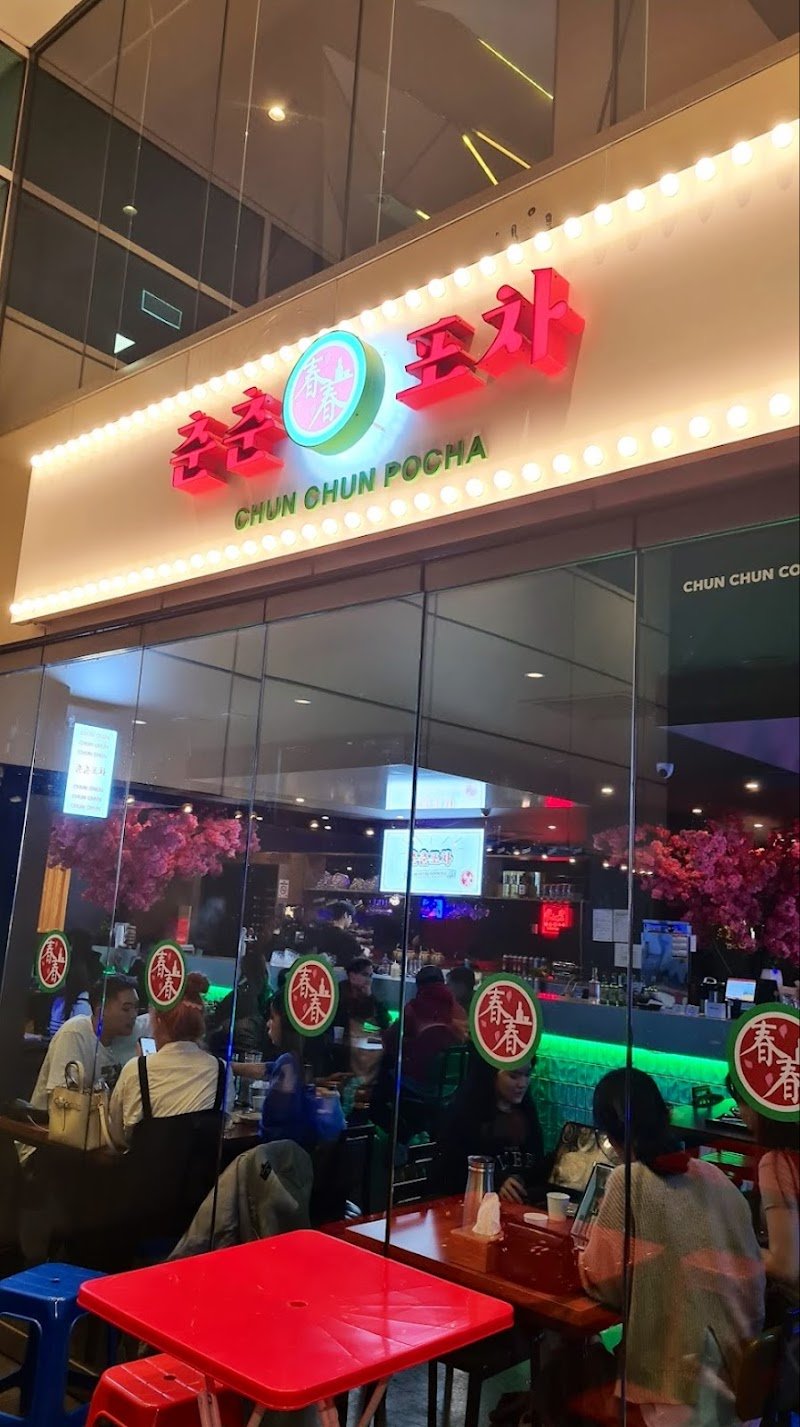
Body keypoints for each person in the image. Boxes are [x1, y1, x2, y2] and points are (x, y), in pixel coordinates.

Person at [548, 1068, 765, 1427]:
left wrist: (581, 1257)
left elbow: (603, 1281)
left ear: (610, 1137)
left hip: (678, 1397)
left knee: (562, 1371)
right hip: (742, 1389)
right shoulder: (715, 1178)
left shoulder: (628, 1181)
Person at [109, 972, 232, 1146]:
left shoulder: (136, 1070)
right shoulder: (223, 1070)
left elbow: (117, 1135)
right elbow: (223, 1127)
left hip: (146, 1163)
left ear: (158, 1020)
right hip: (202, 1164)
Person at [432, 1051, 547, 1202]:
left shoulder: (526, 1112)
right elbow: (450, 1171)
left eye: (527, 1075)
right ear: (491, 1074)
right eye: (513, 1076)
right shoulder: (465, 1113)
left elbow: (536, 1166)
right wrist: (496, 1181)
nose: (523, 1084)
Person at [730, 1079, 799, 1306]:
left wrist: (730, 1246)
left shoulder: (777, 1163)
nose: (739, 1112)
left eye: (739, 1102)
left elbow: (785, 1265)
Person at [31, 974, 139, 1109]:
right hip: (53, 1119)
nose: (133, 1015)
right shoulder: (74, 1034)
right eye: (126, 1009)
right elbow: (63, 1100)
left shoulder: (127, 1037)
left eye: (136, 1008)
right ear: (101, 1011)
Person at [335, 957, 389, 1035]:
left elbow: (384, 1023)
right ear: (352, 976)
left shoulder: (366, 994)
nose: (369, 980)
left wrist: (369, 997)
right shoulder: (338, 992)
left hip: (359, 1038)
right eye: (365, 975)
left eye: (370, 976)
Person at [311, 901, 361, 970]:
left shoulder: (319, 933)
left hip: (322, 972)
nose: (351, 921)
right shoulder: (348, 938)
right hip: (342, 974)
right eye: (351, 917)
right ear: (345, 915)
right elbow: (360, 958)